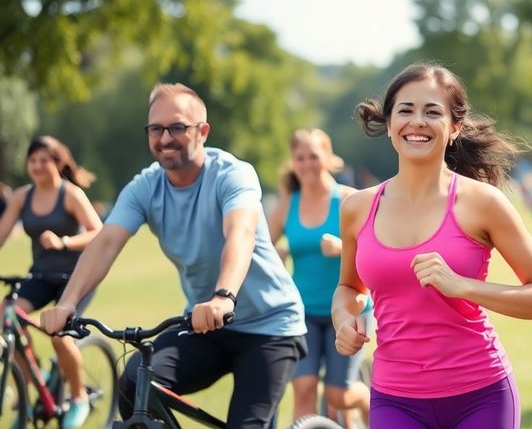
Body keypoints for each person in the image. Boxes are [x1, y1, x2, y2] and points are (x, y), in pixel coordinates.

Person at [40, 83, 307, 429]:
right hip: (201, 326)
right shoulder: (145, 187)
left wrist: (224, 296)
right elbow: (105, 243)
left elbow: (239, 234)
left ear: (203, 132)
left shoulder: (232, 174)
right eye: (156, 128)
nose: (165, 137)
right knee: (135, 385)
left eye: (178, 127)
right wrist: (67, 303)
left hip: (270, 327)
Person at [332, 63, 532, 429]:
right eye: (406, 110)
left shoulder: (482, 203)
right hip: (395, 399)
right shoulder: (357, 208)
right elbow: (349, 287)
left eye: (432, 112)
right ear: (390, 124)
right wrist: (344, 319)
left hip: (481, 396)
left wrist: (465, 287)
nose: (417, 122)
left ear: (454, 127)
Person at [267, 129, 370, 425]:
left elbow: (377, 251)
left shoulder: (349, 199)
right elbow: (260, 245)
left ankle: (364, 399)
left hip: (350, 309)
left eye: (314, 156)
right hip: (304, 313)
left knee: (339, 396)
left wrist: (344, 248)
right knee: (304, 388)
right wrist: (277, 255)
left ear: (329, 158)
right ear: (293, 163)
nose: (307, 163)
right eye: (300, 157)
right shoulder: (288, 205)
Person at [0, 136, 102, 428]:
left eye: (44, 160)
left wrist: (64, 242)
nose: (37, 166)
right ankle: (36, 381)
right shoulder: (23, 197)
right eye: (32, 161)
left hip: (76, 278)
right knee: (6, 316)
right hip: (41, 275)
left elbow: (99, 233)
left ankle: (79, 396)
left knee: (59, 336)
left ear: (57, 162)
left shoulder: (70, 194)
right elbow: (2, 233)